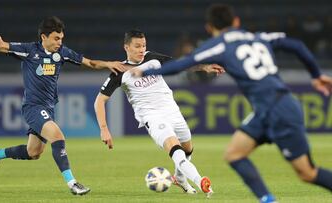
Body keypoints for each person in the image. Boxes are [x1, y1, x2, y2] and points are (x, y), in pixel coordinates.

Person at [132, 4, 332, 203]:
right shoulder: (259, 37)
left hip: (278, 109)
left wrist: (145, 71)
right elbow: (297, 45)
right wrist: (315, 75)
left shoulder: (219, 45)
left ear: (209, 28)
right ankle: (268, 200)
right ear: (236, 22)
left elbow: (182, 64)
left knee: (307, 172)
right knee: (234, 154)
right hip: (270, 109)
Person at [0, 16, 127, 195]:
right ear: (44, 37)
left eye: (61, 39)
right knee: (58, 136)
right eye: (56, 38)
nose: (60, 42)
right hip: (33, 107)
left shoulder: (63, 53)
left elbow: (89, 62)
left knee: (33, 152)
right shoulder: (30, 50)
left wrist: (108, 64)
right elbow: (2, 46)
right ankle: (73, 184)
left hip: (48, 108)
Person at [94, 29, 223, 197]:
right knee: (175, 149)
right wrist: (104, 128)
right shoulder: (119, 71)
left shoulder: (152, 58)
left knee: (187, 149)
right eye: (137, 46)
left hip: (172, 110)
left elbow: (179, 65)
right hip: (151, 116)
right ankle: (201, 182)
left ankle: (179, 178)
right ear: (126, 47)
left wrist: (204, 67)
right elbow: (99, 100)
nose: (141, 49)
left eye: (144, 45)